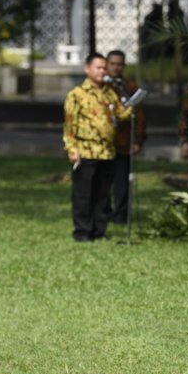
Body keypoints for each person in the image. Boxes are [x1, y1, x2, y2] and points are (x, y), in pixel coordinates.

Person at [63, 53, 132, 241]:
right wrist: (72, 148)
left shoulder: (110, 93)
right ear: (87, 69)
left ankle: (99, 230)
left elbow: (121, 115)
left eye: (104, 68)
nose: (102, 71)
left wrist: (132, 104)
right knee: (84, 194)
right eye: (98, 67)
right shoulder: (77, 94)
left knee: (103, 195)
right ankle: (83, 232)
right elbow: (70, 124)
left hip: (107, 152)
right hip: (85, 151)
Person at [105, 50, 147, 224]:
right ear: (107, 65)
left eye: (119, 64)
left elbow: (140, 116)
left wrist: (138, 140)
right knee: (104, 182)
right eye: (112, 64)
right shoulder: (101, 86)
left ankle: (120, 216)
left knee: (122, 183)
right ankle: (103, 214)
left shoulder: (129, 87)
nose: (116, 67)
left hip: (124, 142)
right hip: (104, 144)